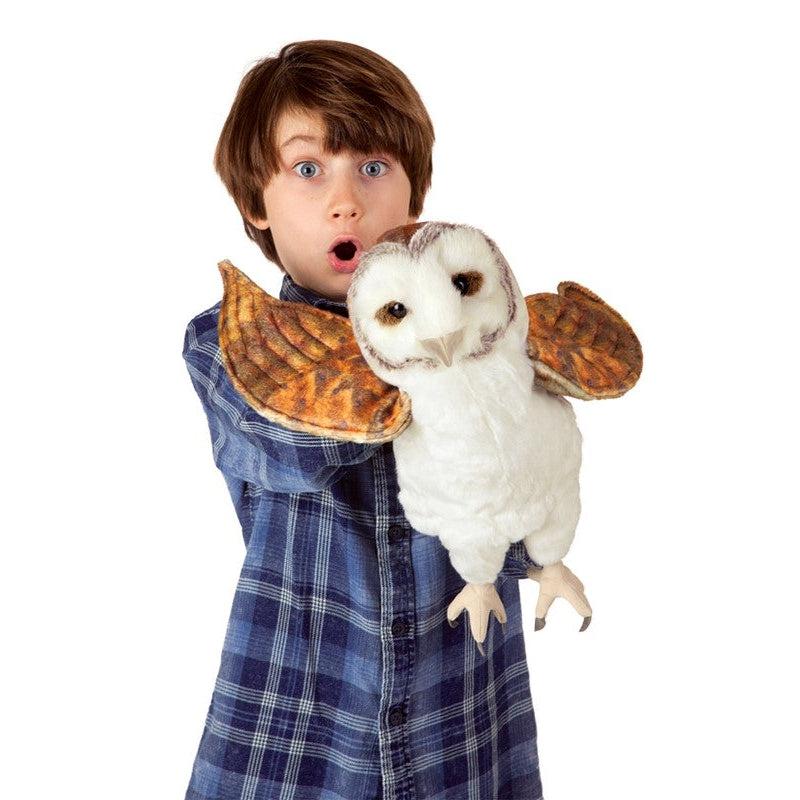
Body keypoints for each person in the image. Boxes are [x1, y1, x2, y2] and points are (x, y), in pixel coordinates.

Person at [182, 39, 545, 800]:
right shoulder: (236, 342)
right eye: (308, 170)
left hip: (459, 688)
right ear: (256, 202)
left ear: (415, 197)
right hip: (301, 696)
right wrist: (449, 358)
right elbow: (288, 442)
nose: (346, 200)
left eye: (373, 168)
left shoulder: (479, 329)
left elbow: (518, 482)